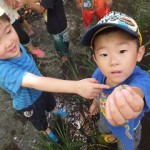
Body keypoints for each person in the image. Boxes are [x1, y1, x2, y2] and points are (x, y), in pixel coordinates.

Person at [0, 7, 109, 142]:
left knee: (50, 102)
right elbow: (35, 82)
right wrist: (77, 87)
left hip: (43, 91)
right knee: (39, 120)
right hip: (29, 103)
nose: (8, 42)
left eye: (9, 31)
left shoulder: (15, 47)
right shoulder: (3, 70)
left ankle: (55, 110)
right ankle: (47, 131)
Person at [81, 11, 150, 149]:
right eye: (104, 54)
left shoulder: (142, 80)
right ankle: (111, 136)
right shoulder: (99, 74)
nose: (113, 61)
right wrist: (94, 103)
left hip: (129, 130)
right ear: (95, 59)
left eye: (122, 51)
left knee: (125, 145)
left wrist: (128, 95)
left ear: (139, 53)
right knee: (104, 129)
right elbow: (97, 90)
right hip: (104, 115)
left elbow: (138, 91)